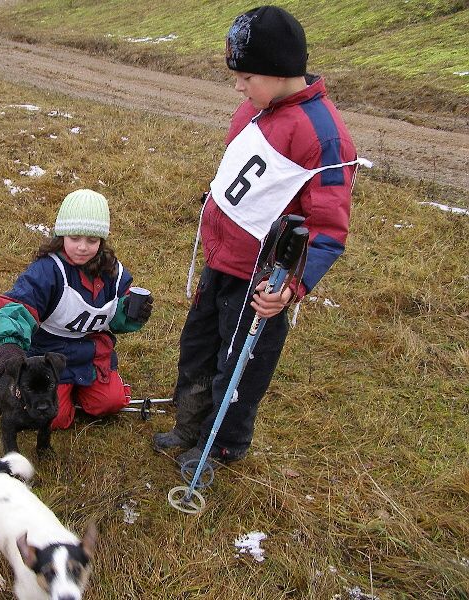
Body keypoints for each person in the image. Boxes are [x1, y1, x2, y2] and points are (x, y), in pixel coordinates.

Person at [153, 6, 363, 468]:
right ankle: (190, 422)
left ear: (278, 70)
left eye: (246, 77)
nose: (238, 88)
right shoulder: (256, 109)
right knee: (198, 348)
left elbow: (328, 230)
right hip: (221, 261)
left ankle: (221, 445)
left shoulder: (324, 138)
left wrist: (290, 287)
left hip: (261, 282)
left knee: (240, 368)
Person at [0, 189, 153, 430]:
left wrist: (132, 313)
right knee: (53, 418)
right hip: (48, 355)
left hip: (91, 354)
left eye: (92, 240)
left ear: (102, 240)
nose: (82, 247)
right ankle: (64, 393)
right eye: (74, 238)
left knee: (111, 403)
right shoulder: (47, 271)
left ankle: (82, 390)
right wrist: (10, 342)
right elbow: (17, 305)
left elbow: (115, 317)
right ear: (61, 235)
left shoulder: (114, 273)